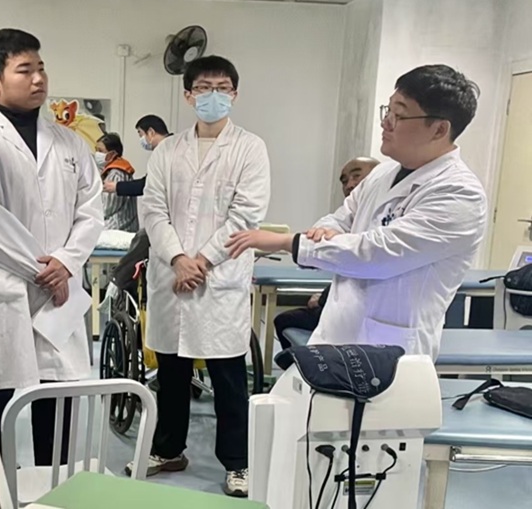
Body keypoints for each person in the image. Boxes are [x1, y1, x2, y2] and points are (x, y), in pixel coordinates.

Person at [227, 64, 487, 360]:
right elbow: (341, 218)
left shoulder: (459, 194)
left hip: (390, 352)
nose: (386, 122)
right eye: (387, 110)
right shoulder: (383, 174)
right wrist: (326, 231)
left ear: (439, 129)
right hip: (337, 333)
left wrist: (289, 242)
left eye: (399, 115)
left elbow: (376, 254)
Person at [0, 28, 103, 466]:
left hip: (59, 295)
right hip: (4, 293)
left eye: (41, 68)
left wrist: (66, 263)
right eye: (24, 70)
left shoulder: (70, 143)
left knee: (58, 404)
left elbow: (91, 210)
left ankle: (54, 490)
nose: (38, 79)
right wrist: (44, 270)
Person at [136, 55, 270, 498]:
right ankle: (169, 449)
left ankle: (237, 462)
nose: (214, 95)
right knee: (171, 374)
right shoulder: (168, 150)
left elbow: (246, 214)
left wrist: (203, 262)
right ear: (188, 95)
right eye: (205, 87)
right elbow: (152, 209)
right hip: (172, 275)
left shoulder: (250, 148)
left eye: (223, 87)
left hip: (219, 279)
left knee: (228, 377)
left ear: (235, 93)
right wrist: (178, 258)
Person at [273, 157, 379, 348]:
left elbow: (364, 261)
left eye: (356, 176)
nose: (349, 185)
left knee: (287, 320)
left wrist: (322, 299)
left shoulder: (386, 218)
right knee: (286, 320)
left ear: (379, 177)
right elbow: (331, 224)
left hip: (369, 315)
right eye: (345, 181)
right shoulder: (350, 213)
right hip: (346, 309)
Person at [102, 114, 170, 196]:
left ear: (151, 132)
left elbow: (148, 183)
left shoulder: (169, 151)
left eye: (141, 135)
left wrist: (117, 187)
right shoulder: (166, 149)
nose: (141, 140)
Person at [96, 132, 139, 232]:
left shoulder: (116, 174)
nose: (97, 154)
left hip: (117, 227)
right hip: (120, 226)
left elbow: (108, 208)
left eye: (100, 151)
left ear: (112, 154)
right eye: (96, 150)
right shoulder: (112, 170)